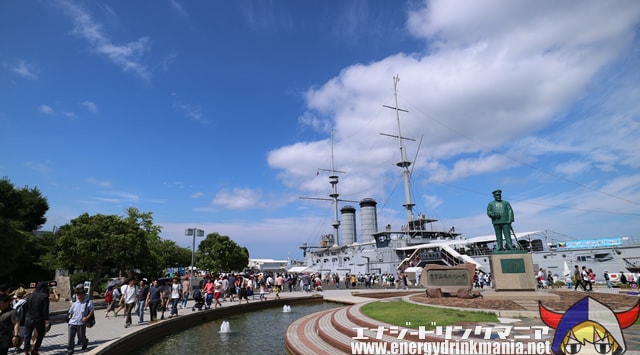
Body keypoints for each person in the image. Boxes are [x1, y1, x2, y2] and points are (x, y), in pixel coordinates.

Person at [23, 281, 50, 355]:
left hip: (28, 318)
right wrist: (46, 319)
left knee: (27, 335)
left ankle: (26, 351)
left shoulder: (30, 295)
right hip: (39, 319)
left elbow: (25, 307)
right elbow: (45, 309)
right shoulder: (44, 296)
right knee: (40, 334)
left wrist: (26, 316)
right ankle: (35, 349)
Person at [67, 284, 93, 354]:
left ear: (84, 294)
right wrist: (69, 319)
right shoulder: (75, 303)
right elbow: (71, 312)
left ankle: (85, 342)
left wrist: (87, 318)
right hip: (72, 323)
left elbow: (91, 311)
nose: (78, 295)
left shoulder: (88, 301)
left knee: (81, 337)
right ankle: (70, 349)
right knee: (70, 337)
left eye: (80, 294)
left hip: (81, 323)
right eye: (77, 294)